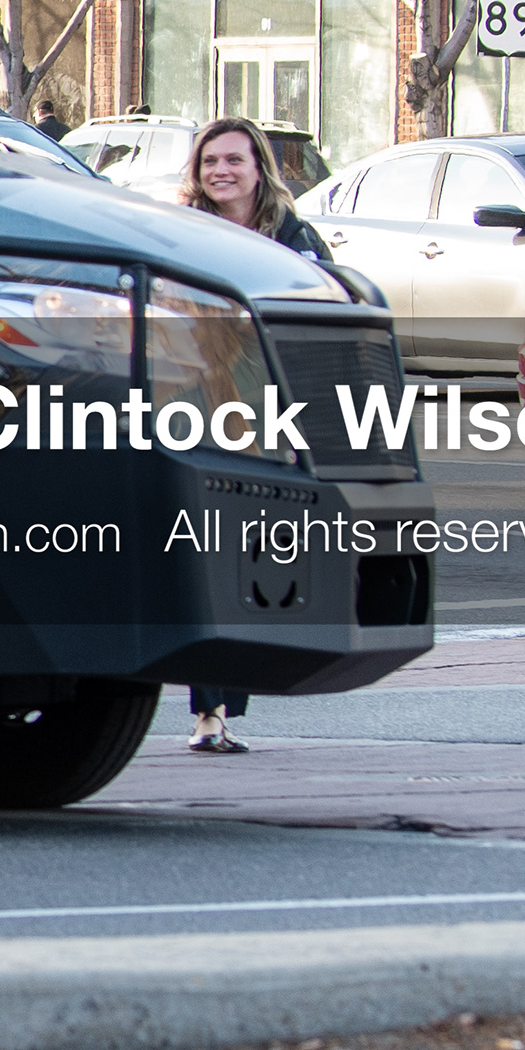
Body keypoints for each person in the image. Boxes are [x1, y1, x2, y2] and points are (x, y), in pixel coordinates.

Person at [171, 115, 324, 752]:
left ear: (259, 167)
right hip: (199, 401)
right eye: (210, 162)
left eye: (234, 160)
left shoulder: (294, 237)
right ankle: (210, 714)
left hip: (271, 411)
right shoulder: (181, 233)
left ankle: (231, 692)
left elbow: (321, 313)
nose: (221, 172)